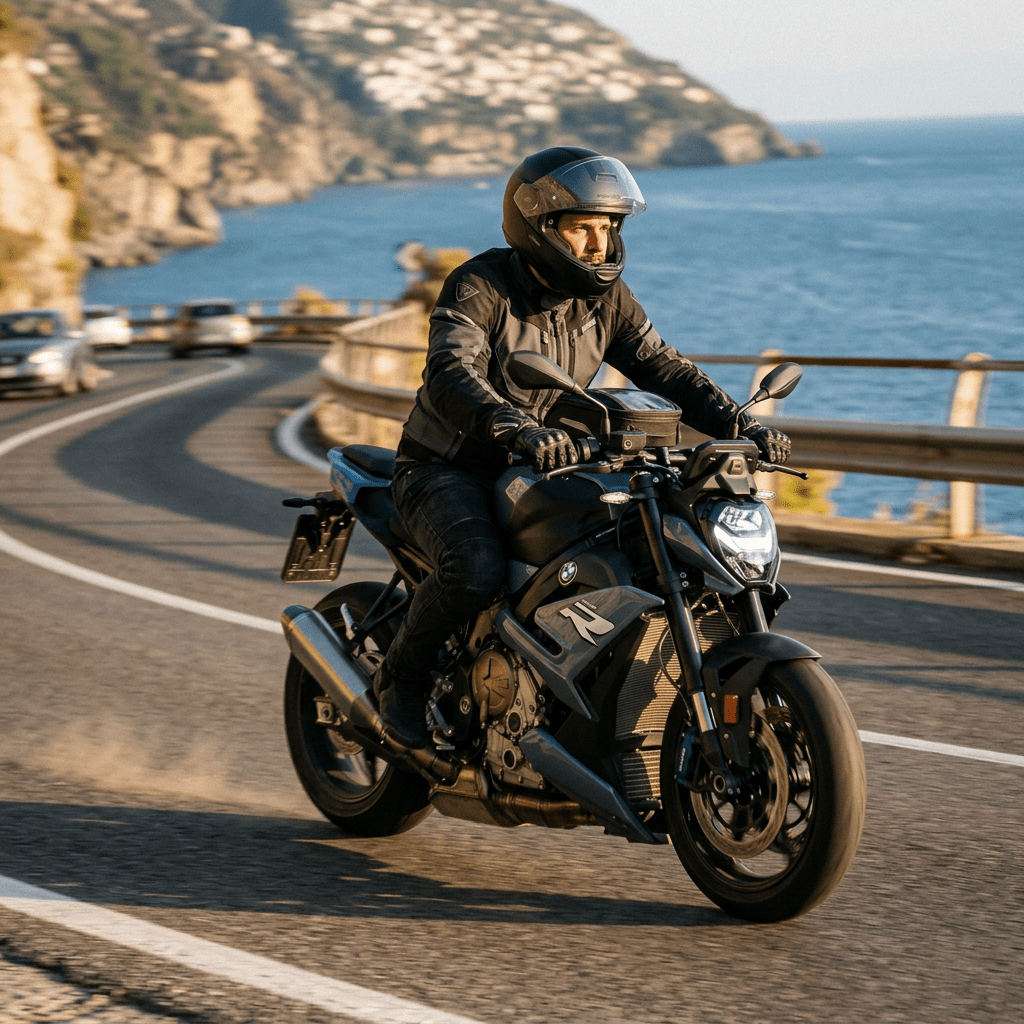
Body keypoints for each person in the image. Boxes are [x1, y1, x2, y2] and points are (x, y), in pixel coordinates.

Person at [375, 146, 791, 748]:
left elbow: (665, 369)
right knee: (475, 568)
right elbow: (450, 371)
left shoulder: (607, 301)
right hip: (449, 467)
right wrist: (512, 425)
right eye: (583, 230)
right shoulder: (480, 285)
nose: (600, 247)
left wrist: (738, 423)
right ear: (540, 228)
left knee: (634, 550)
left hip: (552, 463)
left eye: (609, 229)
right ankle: (401, 679)